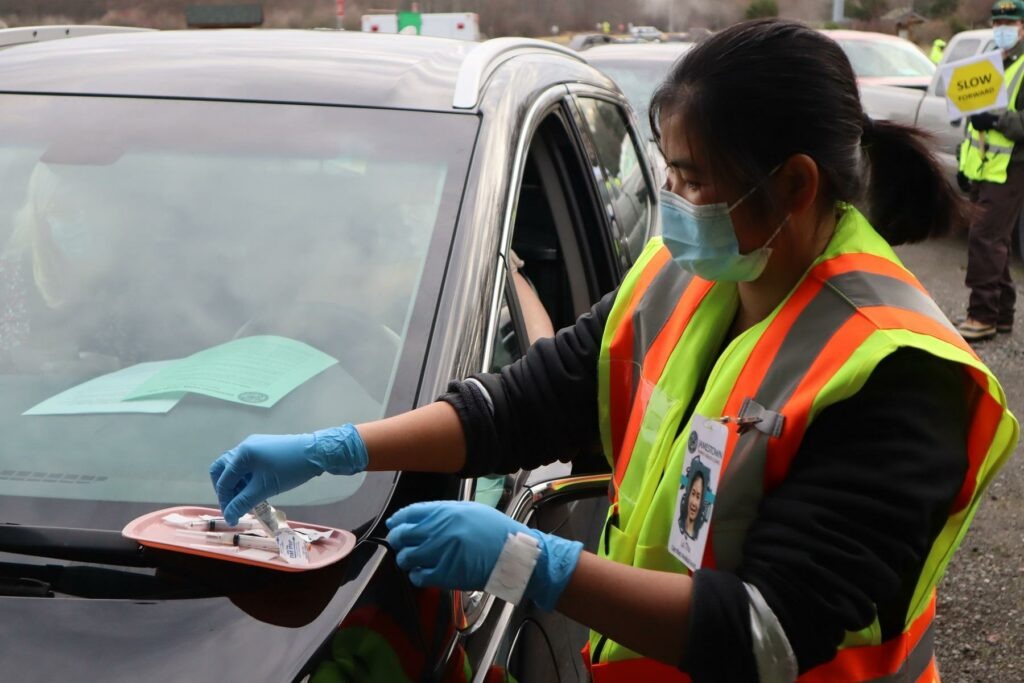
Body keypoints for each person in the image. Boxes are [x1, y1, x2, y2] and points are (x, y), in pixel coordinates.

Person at [210, 20, 1018, 682]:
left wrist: (533, 564)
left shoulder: (898, 373)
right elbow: (525, 402)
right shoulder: (683, 274)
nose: (671, 199)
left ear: (796, 186)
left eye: (693, 177)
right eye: (668, 169)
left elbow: (768, 633)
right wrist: (341, 447)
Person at [957, 0, 1024, 341]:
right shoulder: (990, 64)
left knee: (985, 239)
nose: (1002, 27)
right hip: (982, 168)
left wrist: (997, 120)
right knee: (994, 242)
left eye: (1010, 22)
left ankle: (981, 316)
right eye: (998, 20)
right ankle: (1001, 315)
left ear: (1022, 26)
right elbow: (972, 123)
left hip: (1011, 170)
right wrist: (962, 162)